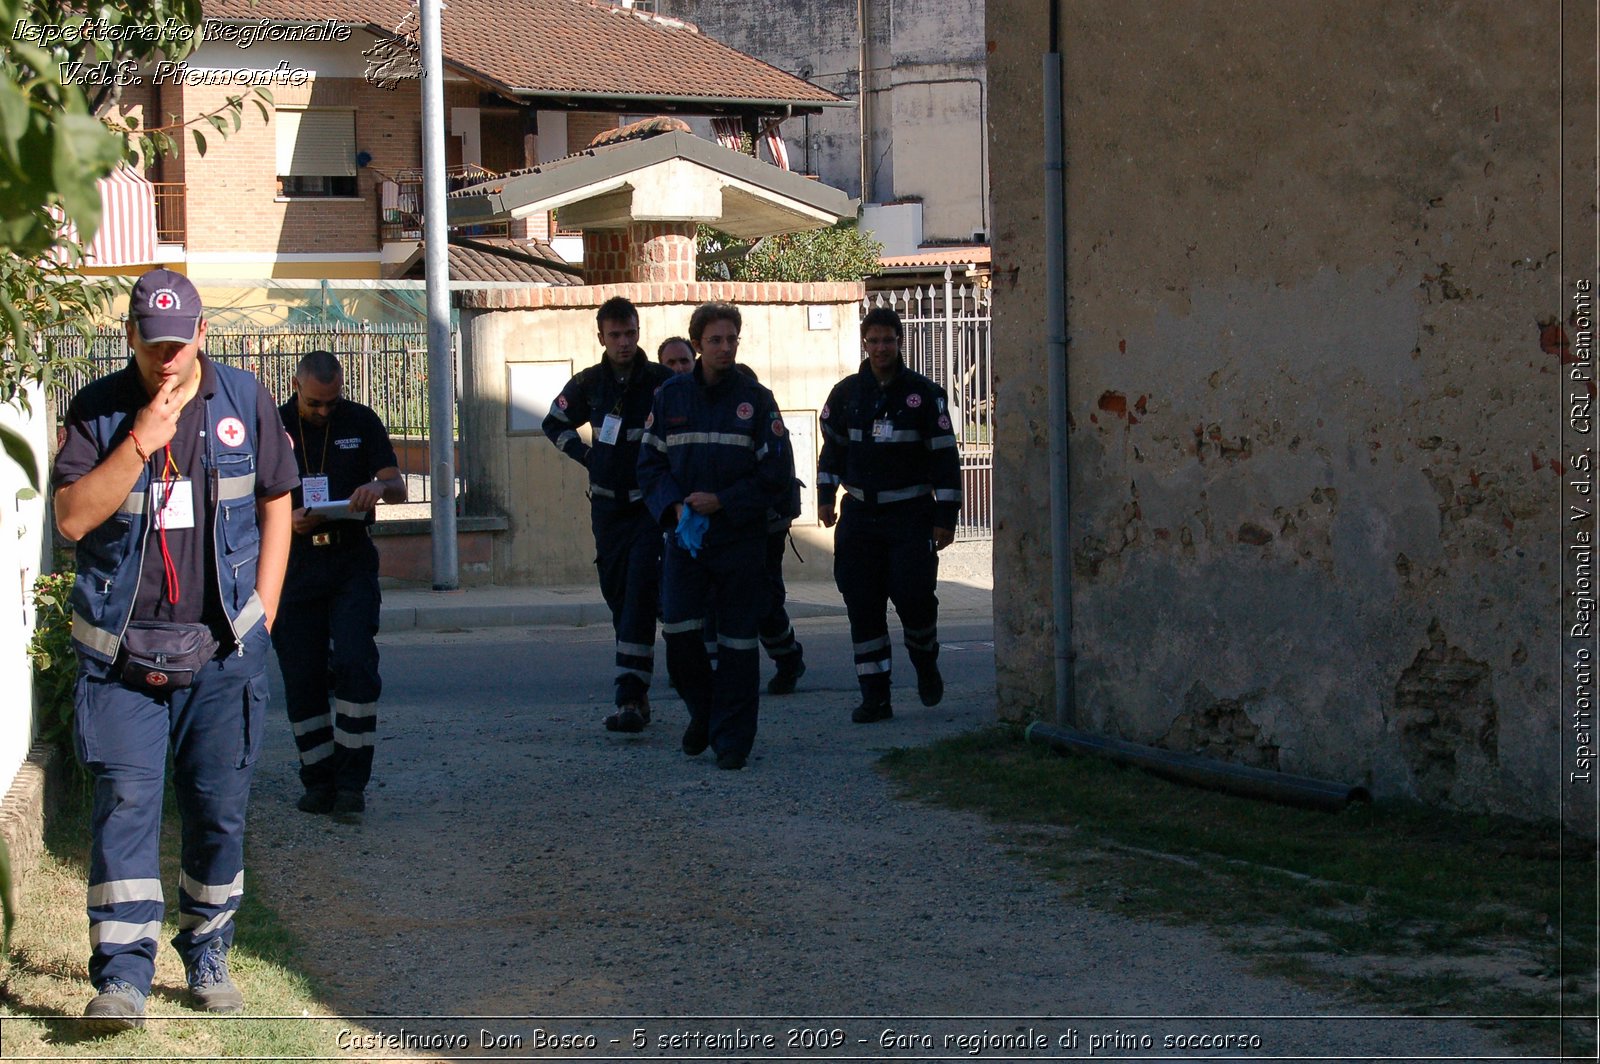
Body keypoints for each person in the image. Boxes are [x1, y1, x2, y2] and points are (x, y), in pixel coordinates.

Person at [51, 268, 297, 1030]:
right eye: (152, 344)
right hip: (121, 660)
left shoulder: (245, 400)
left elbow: (277, 500)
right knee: (125, 806)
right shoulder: (97, 411)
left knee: (218, 813)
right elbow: (71, 518)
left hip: (223, 655)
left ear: (200, 334)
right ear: (130, 336)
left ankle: (207, 947)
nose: (167, 360)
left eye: (179, 342)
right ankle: (122, 975)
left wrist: (264, 618)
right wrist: (137, 443)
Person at [638, 302, 794, 770]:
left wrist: (725, 500)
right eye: (715, 341)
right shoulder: (670, 397)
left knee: (739, 645)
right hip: (686, 541)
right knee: (681, 635)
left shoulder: (757, 399)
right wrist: (676, 504)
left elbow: (777, 474)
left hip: (739, 541)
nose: (725, 348)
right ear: (697, 345)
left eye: (732, 340)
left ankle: (732, 743)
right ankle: (703, 714)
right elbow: (650, 465)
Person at [272, 350, 406, 817]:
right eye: (315, 403)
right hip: (293, 567)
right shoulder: (272, 424)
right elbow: (247, 496)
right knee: (303, 675)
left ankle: (352, 785)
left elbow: (398, 485)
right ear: (296, 386)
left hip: (349, 561)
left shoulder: (360, 420)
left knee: (355, 666)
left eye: (332, 402)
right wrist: (285, 521)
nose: (324, 411)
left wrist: (378, 489)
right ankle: (318, 780)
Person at [817, 306, 962, 723]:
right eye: (874, 340)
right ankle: (875, 697)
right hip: (860, 516)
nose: (881, 347)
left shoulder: (924, 394)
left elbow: (945, 461)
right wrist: (826, 496)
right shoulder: (846, 394)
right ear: (864, 343)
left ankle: (925, 663)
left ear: (900, 343)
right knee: (862, 605)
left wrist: (946, 517)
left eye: (888, 340)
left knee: (915, 599)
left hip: (910, 516)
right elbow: (833, 450)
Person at [544, 296, 672, 732]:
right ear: (601, 336)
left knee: (638, 591)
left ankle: (630, 699)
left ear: (639, 333)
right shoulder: (589, 383)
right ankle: (636, 681)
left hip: (648, 510)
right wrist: (584, 455)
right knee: (618, 593)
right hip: (607, 509)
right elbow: (553, 423)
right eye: (615, 335)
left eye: (630, 334)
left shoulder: (659, 381)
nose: (623, 342)